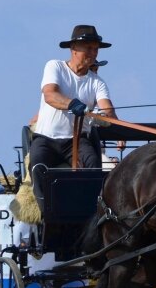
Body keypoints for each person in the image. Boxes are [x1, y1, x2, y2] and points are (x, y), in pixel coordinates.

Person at [28, 25, 121, 210]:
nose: (94, 53)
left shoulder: (97, 82)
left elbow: (108, 111)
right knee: (37, 166)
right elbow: (50, 95)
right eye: (89, 48)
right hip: (47, 139)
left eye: (96, 49)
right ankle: (47, 213)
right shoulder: (55, 66)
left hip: (77, 141)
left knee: (94, 167)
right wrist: (72, 104)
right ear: (74, 49)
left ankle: (89, 212)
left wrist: (105, 117)